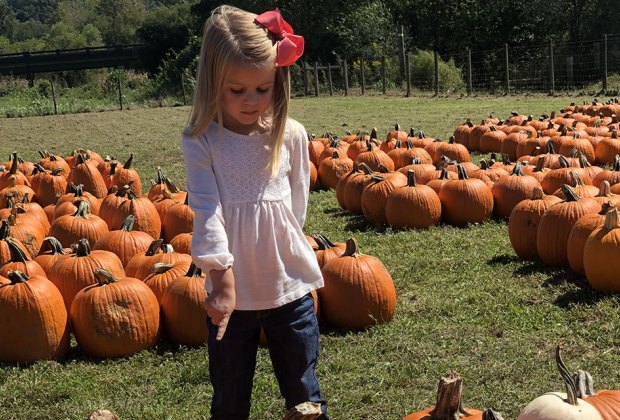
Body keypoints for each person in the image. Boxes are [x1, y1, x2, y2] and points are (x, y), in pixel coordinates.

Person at [181, 5, 328, 419]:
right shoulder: (202, 142)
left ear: (277, 81)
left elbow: (296, 208)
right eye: (237, 90)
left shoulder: (291, 135)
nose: (252, 101)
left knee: (304, 392)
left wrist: (285, 253)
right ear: (213, 83)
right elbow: (206, 210)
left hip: (290, 291)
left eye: (262, 89)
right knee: (230, 400)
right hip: (230, 300)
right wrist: (222, 279)